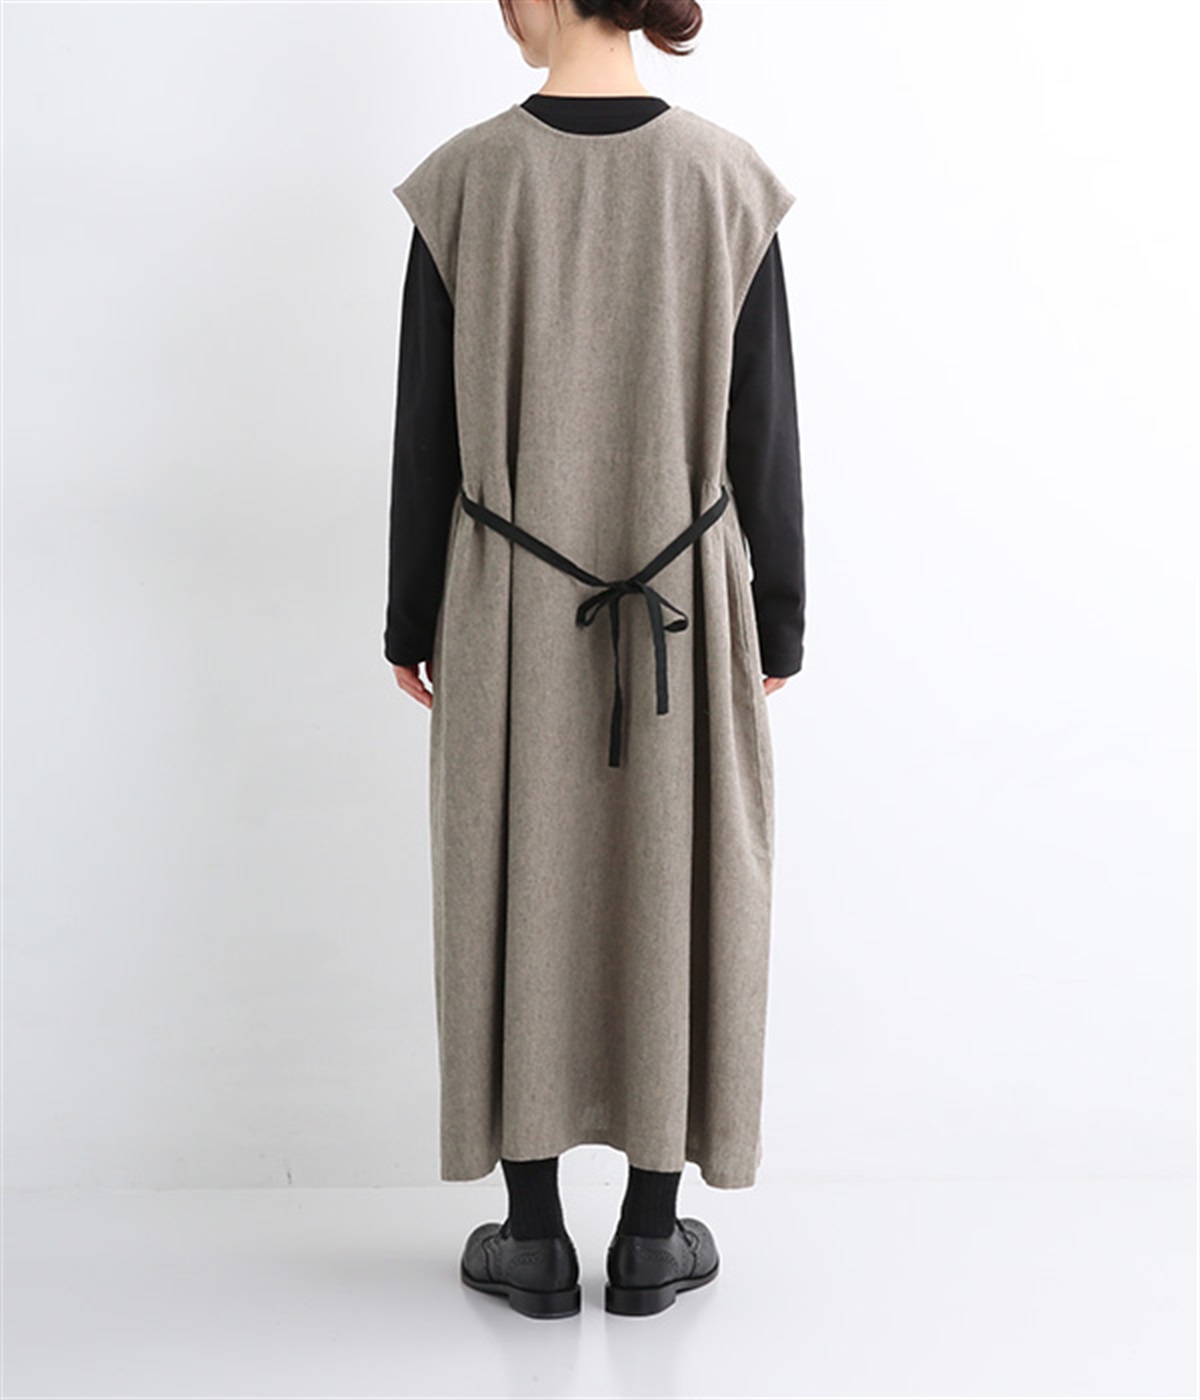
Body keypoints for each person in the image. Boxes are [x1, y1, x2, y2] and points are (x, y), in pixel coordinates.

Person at [384, 0, 805, 1319]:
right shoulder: (727, 180)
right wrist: (780, 617)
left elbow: (427, 438)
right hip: (684, 596)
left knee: (514, 881)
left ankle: (529, 1239)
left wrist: (411, 620)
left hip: (508, 607)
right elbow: (764, 429)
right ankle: (650, 1237)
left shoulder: (465, 182)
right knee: (671, 880)